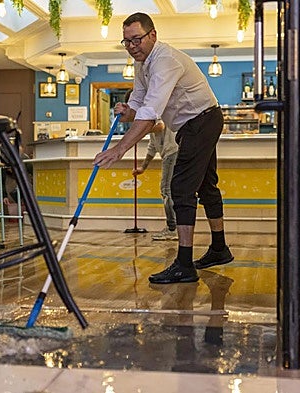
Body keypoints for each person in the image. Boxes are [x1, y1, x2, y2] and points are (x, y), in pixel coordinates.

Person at [93, 12, 233, 284]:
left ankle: (184, 263)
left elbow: (151, 114)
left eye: (137, 39)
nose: (132, 46)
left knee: (180, 188)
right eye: (127, 42)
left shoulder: (165, 61)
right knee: (206, 186)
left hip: (201, 120)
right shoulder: (142, 64)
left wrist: (119, 149)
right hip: (195, 123)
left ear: (152, 35)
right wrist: (127, 111)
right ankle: (219, 249)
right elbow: (139, 102)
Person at [125, 89, 179, 241]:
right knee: (170, 191)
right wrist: (143, 167)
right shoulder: (147, 112)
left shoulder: (152, 108)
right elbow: (152, 145)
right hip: (169, 153)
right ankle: (174, 227)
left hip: (173, 152)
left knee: (166, 190)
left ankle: (172, 228)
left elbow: (160, 126)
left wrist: (138, 131)